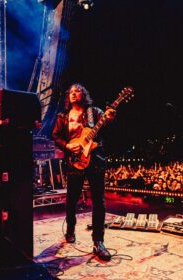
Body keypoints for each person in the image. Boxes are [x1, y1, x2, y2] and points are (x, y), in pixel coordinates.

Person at [52, 83, 116, 261]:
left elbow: (106, 126)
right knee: (72, 199)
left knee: (99, 201)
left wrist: (109, 118)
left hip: (95, 159)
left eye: (77, 91)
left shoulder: (94, 112)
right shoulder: (63, 116)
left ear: (84, 94)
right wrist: (67, 145)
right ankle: (70, 229)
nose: (73, 93)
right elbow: (56, 136)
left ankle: (98, 242)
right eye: (71, 92)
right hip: (74, 160)